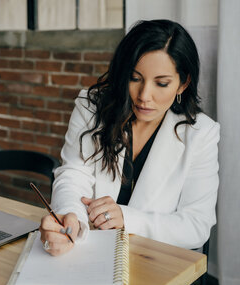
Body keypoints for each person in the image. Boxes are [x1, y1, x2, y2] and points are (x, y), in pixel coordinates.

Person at [40, 19, 220, 256]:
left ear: (182, 84)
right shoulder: (92, 107)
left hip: (155, 261)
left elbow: (196, 225)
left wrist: (126, 218)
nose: (144, 96)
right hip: (90, 254)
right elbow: (73, 174)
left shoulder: (201, 134)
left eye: (161, 83)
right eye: (135, 78)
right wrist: (70, 215)